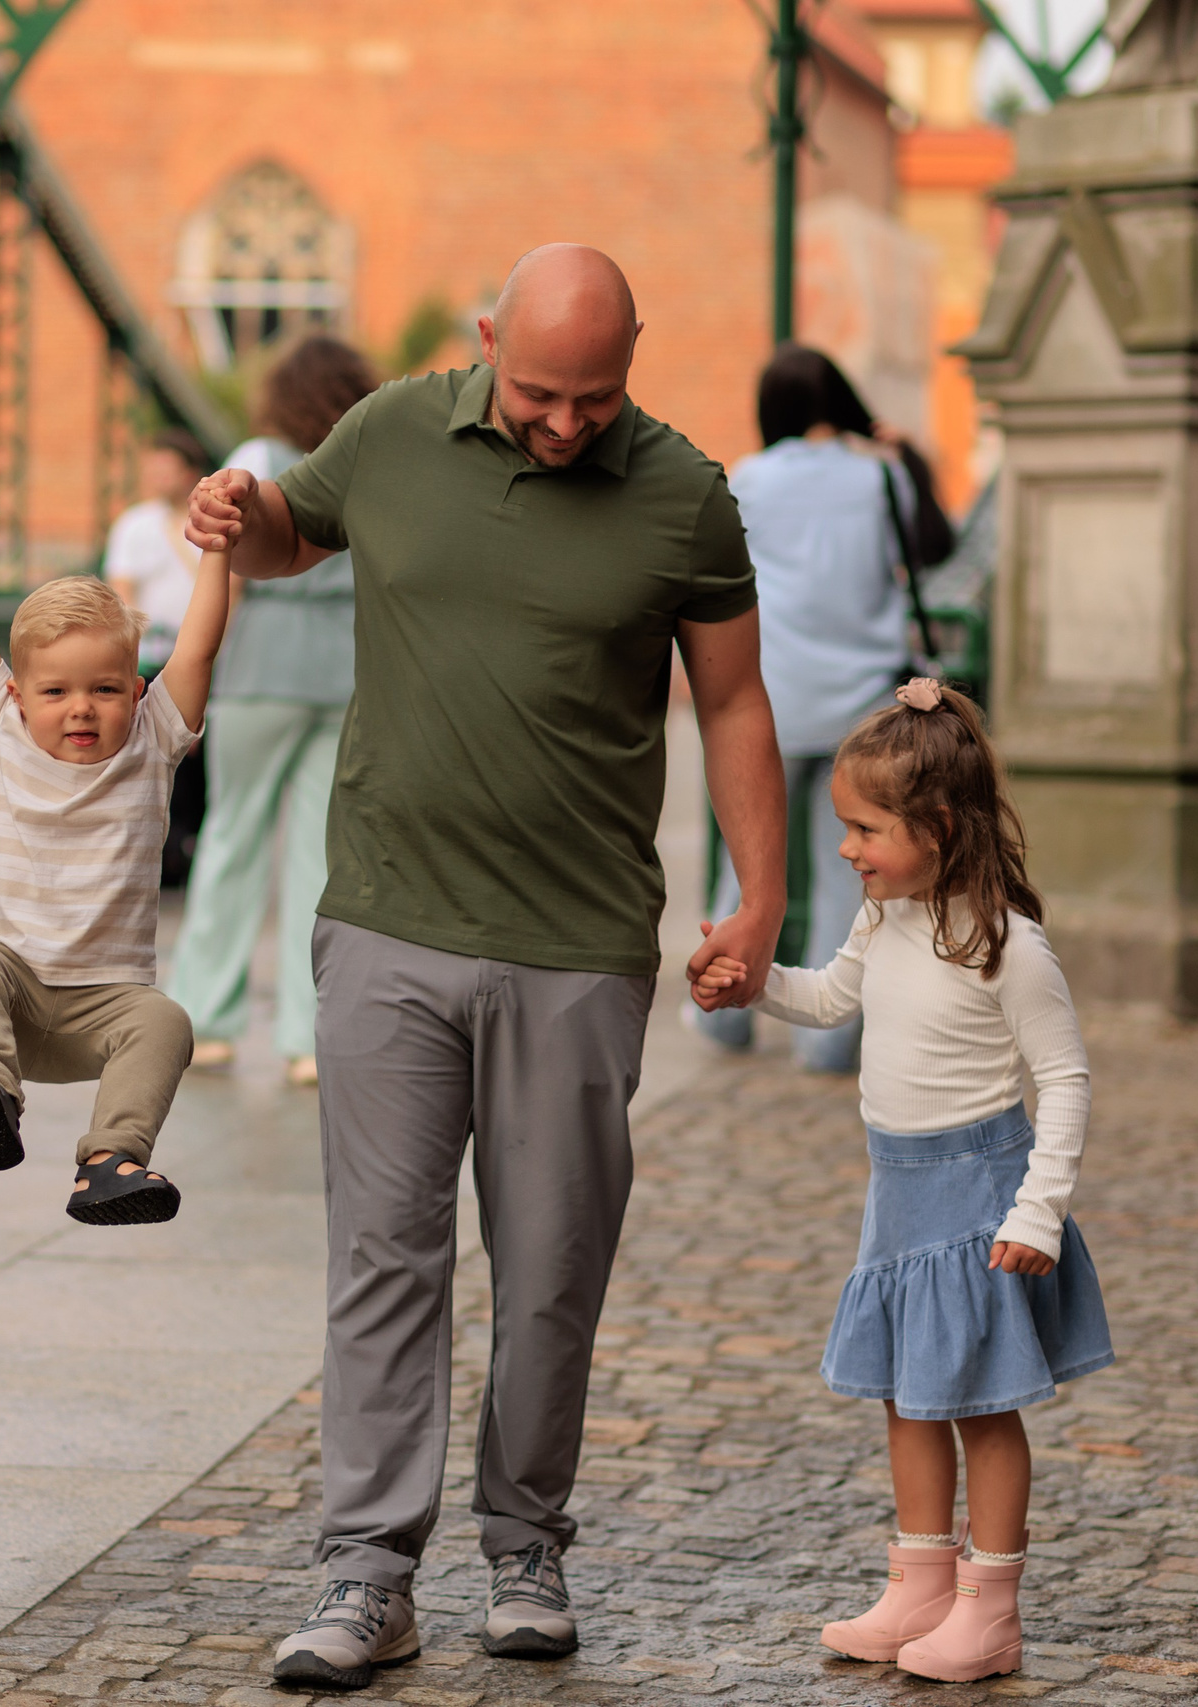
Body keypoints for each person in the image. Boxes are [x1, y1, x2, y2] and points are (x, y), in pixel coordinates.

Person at [185, 244, 787, 1686]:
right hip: (389, 919)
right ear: (484, 342)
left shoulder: (686, 495)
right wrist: (239, 507)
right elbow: (289, 540)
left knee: (552, 1261)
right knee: (383, 1254)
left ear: (633, 361)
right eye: (538, 392)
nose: (567, 423)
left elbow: (736, 700)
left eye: (597, 396)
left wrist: (757, 898)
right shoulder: (391, 431)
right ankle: (367, 1571)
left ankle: (526, 1540)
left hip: (578, 946)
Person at [695, 679, 1111, 1685]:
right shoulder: (880, 918)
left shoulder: (1006, 946)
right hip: (900, 1193)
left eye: (864, 828)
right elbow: (835, 998)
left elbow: (1063, 1082)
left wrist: (1037, 1212)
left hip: (978, 1198)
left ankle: (990, 1607)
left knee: (979, 1405)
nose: (846, 848)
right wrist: (755, 982)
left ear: (934, 826)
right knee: (908, 1397)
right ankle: (921, 1583)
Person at [0, 507, 233, 1224]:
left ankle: (109, 1162)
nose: (80, 709)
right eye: (56, 691)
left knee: (166, 1020)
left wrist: (218, 550)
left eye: (103, 688)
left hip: (105, 1008)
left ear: (135, 690)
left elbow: (196, 651)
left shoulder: (154, 740)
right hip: (12, 999)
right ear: (15, 695)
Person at [692, 344, 954, 1074]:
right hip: (861, 706)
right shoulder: (878, 476)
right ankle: (828, 1038)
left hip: (769, 696)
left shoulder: (749, 479)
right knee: (853, 871)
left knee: (750, 864)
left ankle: (720, 1017)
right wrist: (908, 456)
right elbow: (936, 546)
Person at [167, 336, 379, 1088]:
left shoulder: (256, 457)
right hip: (347, 671)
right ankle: (307, 1036)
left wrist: (187, 678)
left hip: (260, 670)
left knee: (232, 835)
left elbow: (225, 578)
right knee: (322, 861)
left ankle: (202, 1017)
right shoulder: (369, 458)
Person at [105, 429, 216, 885]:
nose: (156, 475)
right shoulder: (134, 524)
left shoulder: (208, 523)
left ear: (190, 472)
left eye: (165, 466)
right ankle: (155, 856)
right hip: (150, 662)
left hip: (202, 658)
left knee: (197, 766)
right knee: (150, 756)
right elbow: (122, 593)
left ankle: (187, 852)